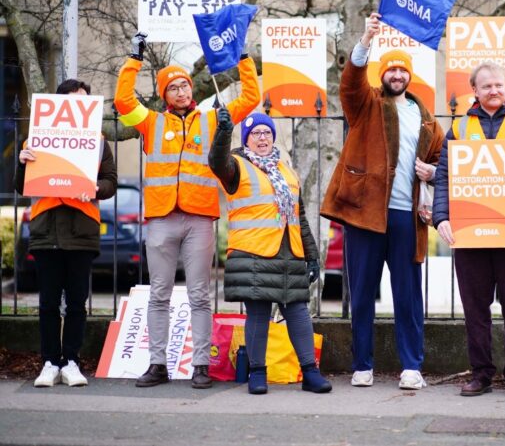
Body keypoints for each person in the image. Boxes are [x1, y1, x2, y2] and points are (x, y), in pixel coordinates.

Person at [114, 32, 260, 389]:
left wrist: (241, 56)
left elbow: (252, 97)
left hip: (199, 218)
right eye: (174, 88)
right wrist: (135, 59)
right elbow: (121, 100)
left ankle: (200, 366)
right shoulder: (150, 122)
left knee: (199, 295)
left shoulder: (213, 119)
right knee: (159, 293)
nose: (182, 91)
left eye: (185, 86)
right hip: (162, 219)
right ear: (164, 95)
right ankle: (158, 364)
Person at [321, 12, 444, 390]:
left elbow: (442, 164)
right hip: (364, 215)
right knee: (360, 295)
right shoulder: (366, 104)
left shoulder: (428, 121)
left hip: (408, 217)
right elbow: (350, 84)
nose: (396, 75)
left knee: (408, 296)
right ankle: (362, 365)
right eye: (390, 70)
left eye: (402, 70)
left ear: (409, 76)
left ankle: (412, 367)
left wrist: (433, 174)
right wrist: (366, 41)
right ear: (383, 75)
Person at [432, 62, 505, 397]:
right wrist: (441, 216)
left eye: (498, 85)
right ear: (475, 90)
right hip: (470, 232)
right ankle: (481, 373)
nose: (494, 91)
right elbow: (444, 177)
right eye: (486, 87)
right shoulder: (458, 129)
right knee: (474, 307)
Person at [208, 108, 331, 395]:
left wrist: (311, 254)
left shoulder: (285, 168)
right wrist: (224, 132)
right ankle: (257, 372)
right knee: (259, 312)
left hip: (289, 252)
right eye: (255, 133)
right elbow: (216, 161)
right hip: (254, 251)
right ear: (247, 139)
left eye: (266, 132)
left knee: (298, 311)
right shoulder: (235, 166)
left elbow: (298, 216)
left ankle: (310, 372)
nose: (261, 138)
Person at [16, 79, 117, 387]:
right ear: (59, 105)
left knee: (76, 302)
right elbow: (22, 186)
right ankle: (49, 362)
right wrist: (22, 164)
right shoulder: (35, 140)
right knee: (47, 303)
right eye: (73, 101)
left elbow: (110, 181)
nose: (79, 106)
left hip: (82, 230)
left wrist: (96, 188)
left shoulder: (98, 141)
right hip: (47, 230)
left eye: (83, 101)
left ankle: (71, 361)